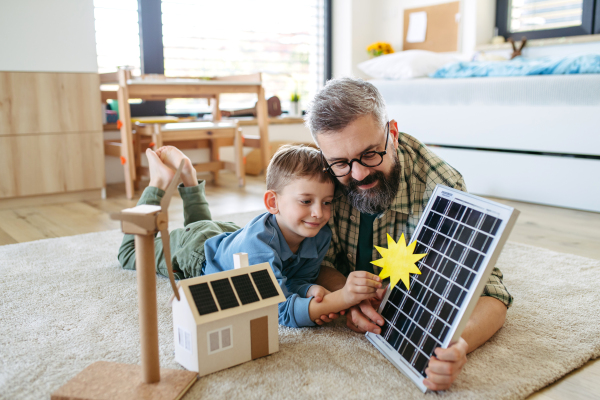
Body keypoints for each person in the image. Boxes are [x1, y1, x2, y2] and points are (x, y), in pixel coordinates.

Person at [304, 77, 514, 391]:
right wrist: (347, 298)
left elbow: (492, 294)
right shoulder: (321, 178)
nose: (359, 174)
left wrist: (457, 344)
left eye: (370, 153)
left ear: (393, 133)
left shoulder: (441, 188)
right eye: (341, 163)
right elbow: (313, 262)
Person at [117, 144, 383, 328]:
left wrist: (311, 290)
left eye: (327, 202)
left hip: (229, 238)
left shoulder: (318, 235)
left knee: (204, 229)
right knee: (131, 252)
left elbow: (296, 279)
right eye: (305, 201)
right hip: (195, 253)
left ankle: (189, 177)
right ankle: (159, 181)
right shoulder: (259, 244)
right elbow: (276, 308)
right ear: (272, 202)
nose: (318, 213)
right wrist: (341, 297)